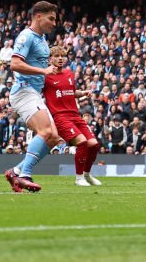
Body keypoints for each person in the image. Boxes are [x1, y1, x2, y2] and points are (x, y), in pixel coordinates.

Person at [4, 1, 61, 193]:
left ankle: (15, 171)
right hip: (23, 90)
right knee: (45, 131)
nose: (54, 23)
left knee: (54, 137)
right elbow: (14, 64)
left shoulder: (42, 39)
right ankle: (25, 175)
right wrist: (43, 71)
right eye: (51, 18)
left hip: (34, 93)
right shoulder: (26, 36)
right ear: (38, 16)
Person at [43, 45, 101, 187]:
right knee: (82, 142)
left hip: (75, 115)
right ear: (50, 59)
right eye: (56, 56)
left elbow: (71, 91)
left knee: (93, 144)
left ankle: (87, 174)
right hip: (60, 117)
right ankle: (78, 178)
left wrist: (83, 93)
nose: (60, 59)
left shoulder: (69, 73)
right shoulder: (45, 76)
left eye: (62, 56)